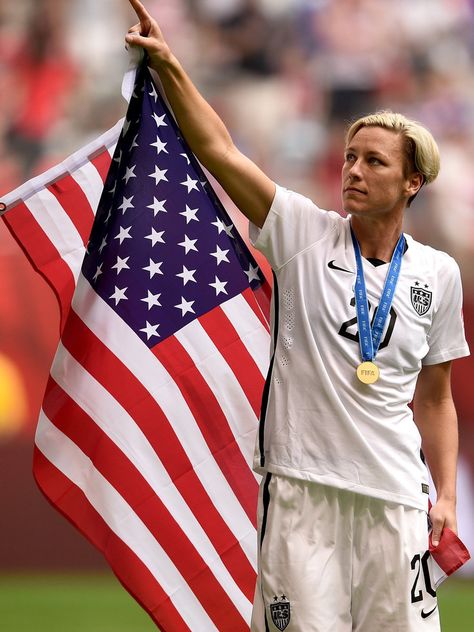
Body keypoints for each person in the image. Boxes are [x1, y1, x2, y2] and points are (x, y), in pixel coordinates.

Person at [125, 1, 470, 630]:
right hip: (302, 493)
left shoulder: (439, 274)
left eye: (375, 162)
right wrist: (170, 65)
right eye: (350, 157)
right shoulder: (304, 233)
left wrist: (444, 493)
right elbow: (221, 153)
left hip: (395, 499)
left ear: (412, 181)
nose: (354, 172)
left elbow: (438, 396)